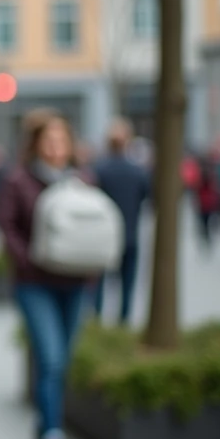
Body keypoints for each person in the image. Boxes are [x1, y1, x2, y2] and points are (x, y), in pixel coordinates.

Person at [0, 109, 90, 439]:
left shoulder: (82, 181)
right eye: (48, 140)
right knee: (51, 359)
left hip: (75, 284)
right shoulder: (18, 181)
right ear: (36, 144)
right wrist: (30, 259)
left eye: (61, 139)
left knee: (61, 361)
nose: (55, 146)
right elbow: (7, 227)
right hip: (34, 284)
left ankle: (43, 425)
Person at [93, 119, 150, 324]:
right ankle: (123, 322)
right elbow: (147, 197)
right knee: (127, 284)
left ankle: (97, 319)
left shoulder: (99, 169)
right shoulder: (137, 170)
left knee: (98, 283)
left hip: (101, 236)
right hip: (129, 234)